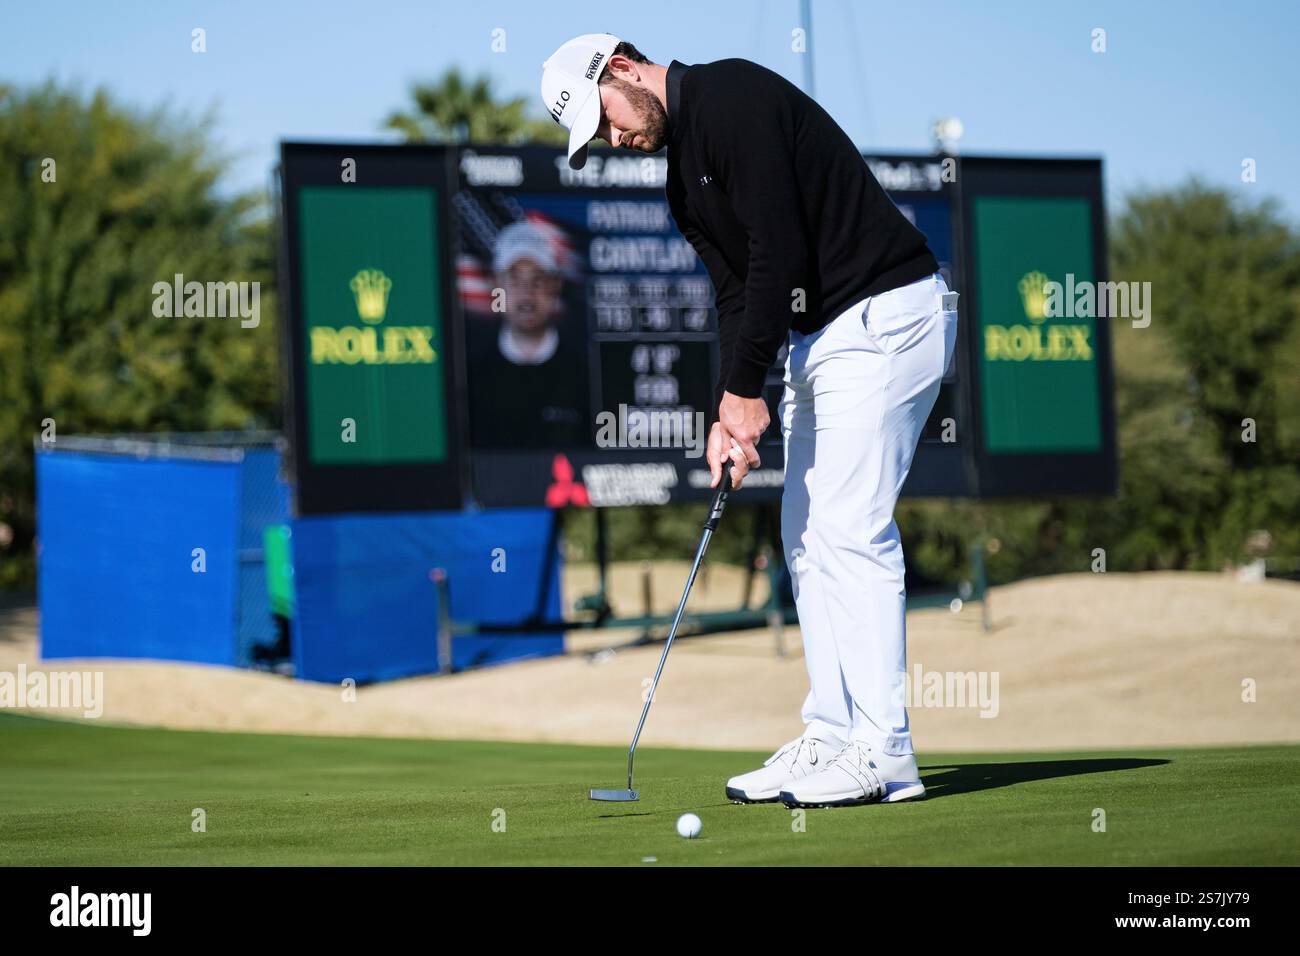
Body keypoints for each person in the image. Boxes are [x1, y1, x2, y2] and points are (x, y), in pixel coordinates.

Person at [542, 34, 960, 808]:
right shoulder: (680, 183)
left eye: (606, 121)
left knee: (847, 528)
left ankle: (885, 752)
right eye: (599, 140)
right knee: (804, 533)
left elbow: (779, 248)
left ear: (624, 69)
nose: (615, 140)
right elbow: (736, 294)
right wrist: (729, 407)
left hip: (887, 314)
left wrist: (747, 389)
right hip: (825, 338)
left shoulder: (732, 99)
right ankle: (832, 733)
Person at [467, 220, 590, 448]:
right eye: (515, 280)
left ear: (555, 285)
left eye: (538, 279)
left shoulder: (587, 375)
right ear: (496, 285)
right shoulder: (470, 378)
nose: (527, 294)